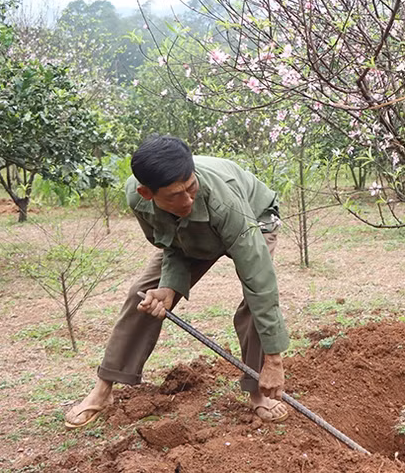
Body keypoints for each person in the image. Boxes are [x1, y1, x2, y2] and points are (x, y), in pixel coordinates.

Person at [65, 135, 290, 428]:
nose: (187, 201)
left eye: (191, 187)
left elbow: (259, 281)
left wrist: (274, 360)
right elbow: (170, 243)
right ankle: (104, 387)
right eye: (174, 195)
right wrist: (169, 287)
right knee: (143, 295)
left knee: (253, 302)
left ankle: (259, 391)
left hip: (253, 218)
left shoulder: (224, 202)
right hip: (195, 233)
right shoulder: (137, 198)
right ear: (147, 193)